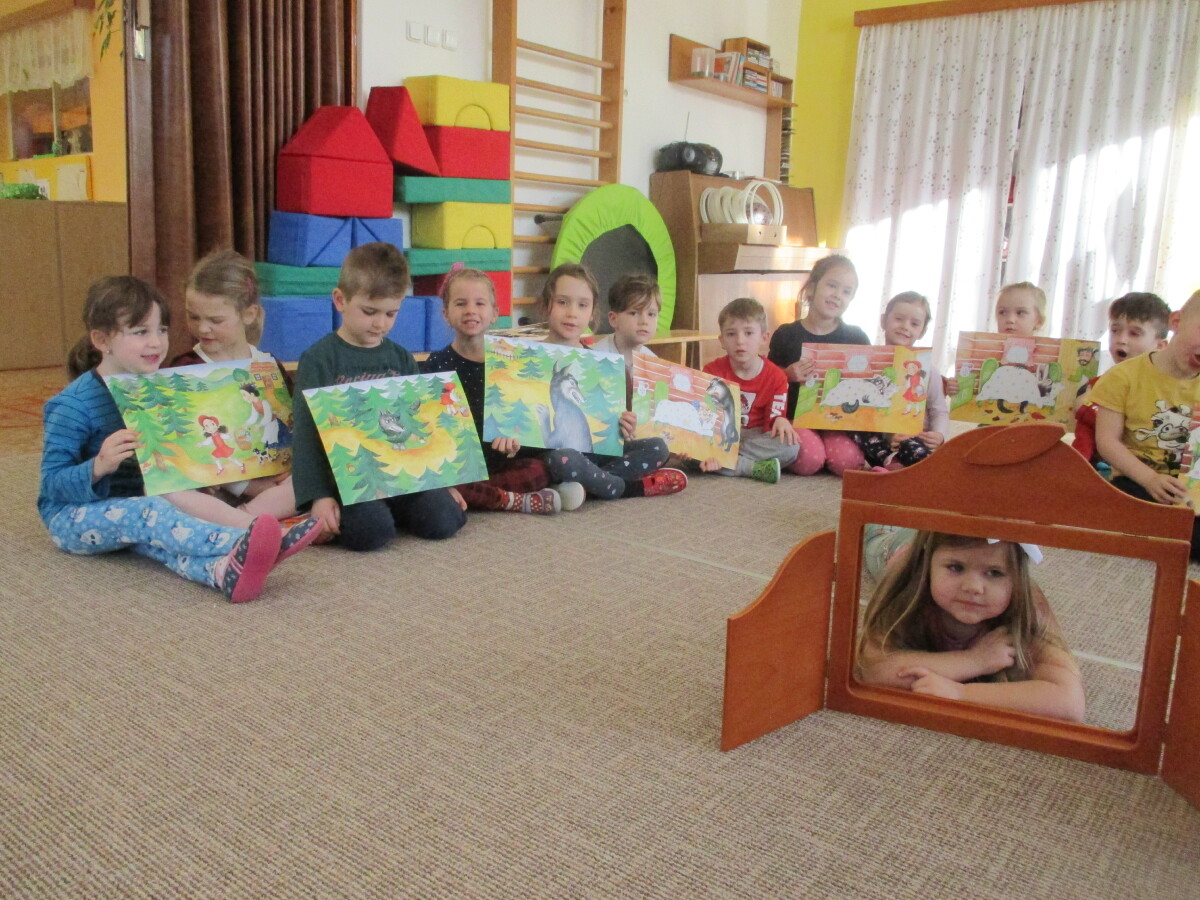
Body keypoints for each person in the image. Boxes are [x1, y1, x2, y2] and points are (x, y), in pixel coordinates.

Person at [39, 276, 320, 603]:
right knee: (152, 513)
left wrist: (199, 475)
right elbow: (51, 484)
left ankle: (221, 571)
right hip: (73, 516)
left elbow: (170, 464)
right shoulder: (72, 405)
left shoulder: (157, 389)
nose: (156, 342)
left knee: (166, 530)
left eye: (161, 330)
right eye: (140, 332)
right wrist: (98, 467)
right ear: (102, 340)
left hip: (140, 499)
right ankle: (251, 535)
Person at [291, 242, 468, 551]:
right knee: (372, 532)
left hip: (400, 474)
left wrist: (440, 480)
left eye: (390, 313)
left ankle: (393, 512)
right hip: (349, 481)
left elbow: (419, 423)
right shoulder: (319, 360)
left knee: (445, 518)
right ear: (340, 300)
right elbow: (306, 437)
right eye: (369, 312)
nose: (380, 323)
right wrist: (318, 498)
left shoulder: (401, 358)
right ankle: (356, 518)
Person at [856, 529, 1085, 722]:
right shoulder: (909, 590)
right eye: (956, 567)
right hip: (898, 547)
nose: (973, 587)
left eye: (994, 573)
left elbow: (1069, 704)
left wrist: (962, 693)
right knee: (877, 533)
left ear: (1017, 579)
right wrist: (974, 661)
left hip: (933, 545)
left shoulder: (1027, 608)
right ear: (927, 566)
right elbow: (874, 670)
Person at [421, 266, 568, 514]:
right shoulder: (437, 364)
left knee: (540, 470)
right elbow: (430, 425)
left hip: (501, 462)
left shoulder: (511, 361)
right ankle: (507, 499)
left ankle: (478, 495)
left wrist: (516, 442)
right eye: (461, 303)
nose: (470, 310)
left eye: (480, 303)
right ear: (446, 314)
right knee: (436, 480)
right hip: (461, 464)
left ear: (494, 313)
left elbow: (525, 420)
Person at [537, 263, 686, 501]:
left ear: (592, 313)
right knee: (561, 459)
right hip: (559, 454)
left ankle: (590, 484)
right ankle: (626, 488)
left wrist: (625, 424)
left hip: (598, 453)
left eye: (582, 305)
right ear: (546, 306)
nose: (572, 312)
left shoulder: (602, 363)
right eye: (563, 302)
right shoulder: (530, 356)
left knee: (658, 447)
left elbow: (614, 423)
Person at [171, 249, 299, 521]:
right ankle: (247, 522)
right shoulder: (185, 368)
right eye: (193, 317)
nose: (202, 329)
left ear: (249, 314)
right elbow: (188, 447)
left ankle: (248, 520)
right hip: (216, 486)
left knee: (315, 480)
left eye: (215, 320)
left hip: (274, 481)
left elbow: (289, 426)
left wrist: (288, 468)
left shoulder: (268, 366)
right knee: (178, 495)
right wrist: (245, 486)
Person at [1091, 289, 1200, 559]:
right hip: (1137, 480)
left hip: (1190, 490)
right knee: (1119, 514)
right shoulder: (1123, 376)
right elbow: (1107, 442)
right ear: (1176, 322)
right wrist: (1150, 478)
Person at [767, 254, 870, 475]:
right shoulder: (787, 334)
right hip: (797, 419)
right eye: (832, 285)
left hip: (838, 422)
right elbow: (766, 379)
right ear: (812, 287)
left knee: (848, 463)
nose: (837, 295)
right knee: (809, 461)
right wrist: (787, 374)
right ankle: (815, 451)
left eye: (846, 292)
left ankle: (826, 451)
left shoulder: (857, 338)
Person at [697, 298, 798, 483]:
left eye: (749, 333)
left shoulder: (777, 376)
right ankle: (750, 467)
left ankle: (725, 460)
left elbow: (773, 424)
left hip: (755, 436)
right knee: (685, 449)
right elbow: (707, 416)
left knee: (790, 445)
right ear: (722, 340)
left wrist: (781, 420)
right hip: (721, 434)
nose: (740, 341)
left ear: (764, 338)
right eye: (731, 334)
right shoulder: (712, 371)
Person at [847, 292, 949, 471]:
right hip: (880, 439)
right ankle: (892, 464)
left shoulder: (928, 370)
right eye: (899, 319)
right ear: (883, 321)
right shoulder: (868, 363)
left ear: (922, 331)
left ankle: (917, 469)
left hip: (913, 436)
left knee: (913, 447)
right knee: (857, 430)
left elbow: (939, 409)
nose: (904, 326)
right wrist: (887, 435)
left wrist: (939, 435)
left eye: (914, 323)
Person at [1072, 292, 1170, 464]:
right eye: (1115, 331)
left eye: (1134, 333)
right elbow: (1083, 441)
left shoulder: (1165, 389)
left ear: (1160, 346)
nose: (1121, 339)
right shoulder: (1096, 385)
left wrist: (1088, 410)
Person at [588, 273, 661, 370]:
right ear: (614, 319)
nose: (644, 321)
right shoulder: (595, 358)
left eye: (651, 314)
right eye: (634, 313)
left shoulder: (654, 364)